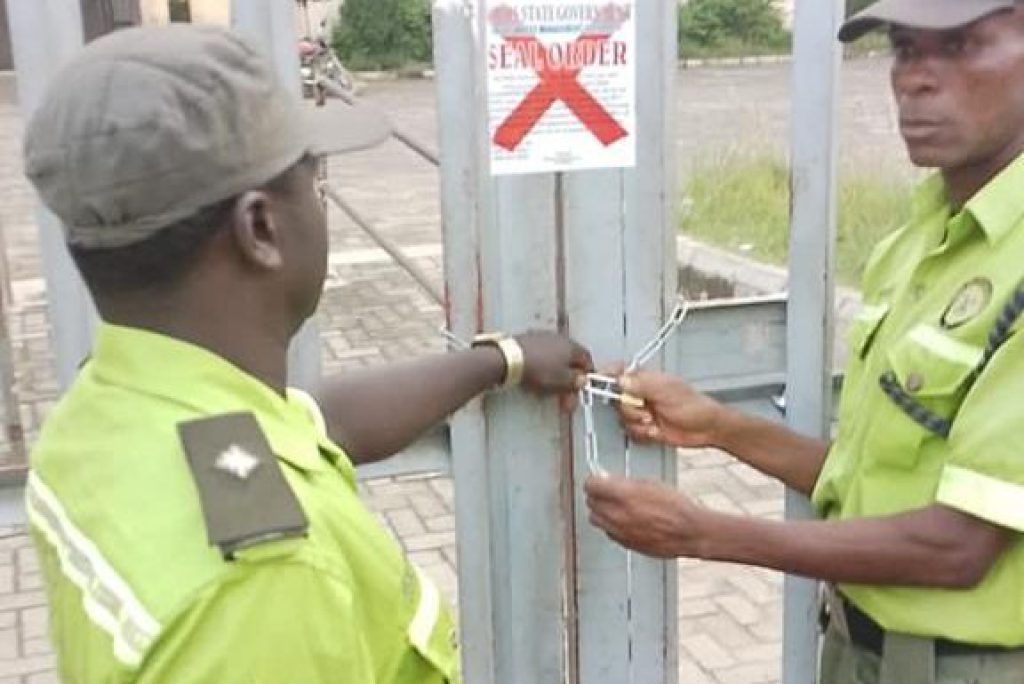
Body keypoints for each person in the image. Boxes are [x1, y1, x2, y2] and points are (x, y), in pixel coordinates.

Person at [22, 25, 591, 684]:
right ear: (261, 228)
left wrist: (503, 359)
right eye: (315, 183)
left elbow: (320, 424)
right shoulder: (267, 585)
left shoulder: (106, 413)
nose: (323, 202)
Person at [585, 1, 1024, 682]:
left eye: (961, 46)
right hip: (857, 650)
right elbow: (861, 484)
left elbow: (959, 546)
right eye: (905, 50)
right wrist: (720, 427)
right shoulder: (920, 241)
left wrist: (702, 534)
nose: (916, 79)